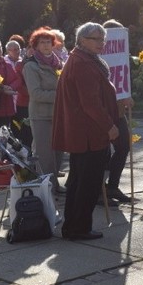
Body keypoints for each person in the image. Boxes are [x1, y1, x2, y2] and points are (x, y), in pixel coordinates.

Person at [52, 22, 119, 240]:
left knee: (80, 181)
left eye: (103, 39)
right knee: (86, 184)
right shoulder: (82, 62)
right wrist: (109, 126)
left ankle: (74, 226)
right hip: (88, 134)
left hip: (85, 133)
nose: (101, 43)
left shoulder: (83, 59)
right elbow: (90, 103)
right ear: (82, 40)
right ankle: (78, 228)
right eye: (95, 38)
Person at [22, 28, 64, 191]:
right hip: (41, 115)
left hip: (59, 113)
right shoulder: (31, 66)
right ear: (36, 46)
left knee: (59, 151)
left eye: (49, 42)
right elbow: (36, 94)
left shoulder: (58, 63)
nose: (46, 45)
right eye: (42, 42)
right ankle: (46, 187)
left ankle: (55, 185)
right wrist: (61, 95)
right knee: (44, 153)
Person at [103, 19, 134, 204]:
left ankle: (112, 186)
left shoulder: (121, 55)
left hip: (119, 112)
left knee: (123, 146)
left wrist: (126, 95)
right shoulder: (98, 57)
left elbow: (122, 76)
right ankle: (99, 189)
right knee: (102, 152)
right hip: (104, 112)